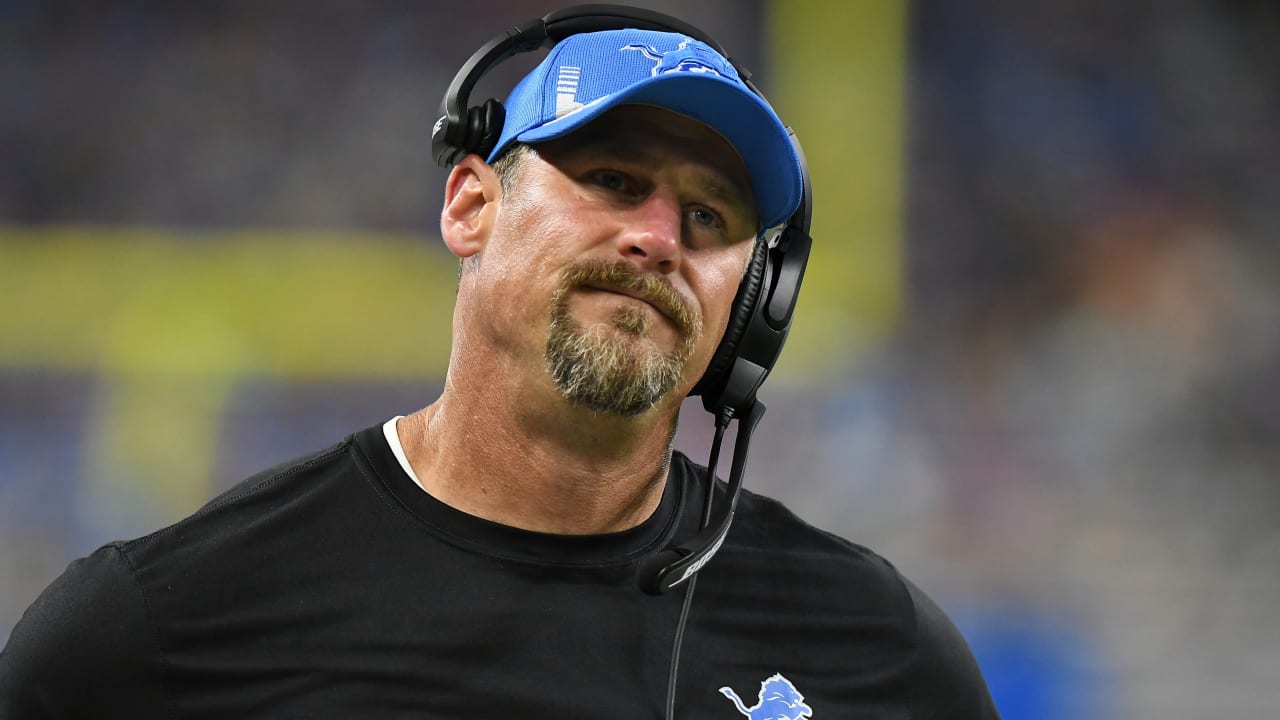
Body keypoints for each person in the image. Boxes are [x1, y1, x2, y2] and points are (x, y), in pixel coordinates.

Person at [1, 12, 999, 719]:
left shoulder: (876, 649)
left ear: (753, 301)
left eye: (709, 217)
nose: (659, 238)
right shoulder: (154, 628)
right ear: (469, 205)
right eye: (611, 180)